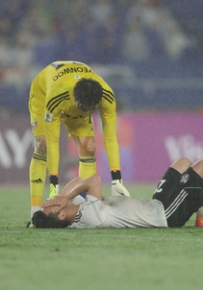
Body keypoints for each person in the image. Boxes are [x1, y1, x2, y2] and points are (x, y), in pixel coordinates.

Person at [27, 61, 129, 225]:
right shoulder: (56, 97)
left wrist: (117, 180)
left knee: (88, 148)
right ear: (75, 95)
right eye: (84, 108)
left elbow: (110, 137)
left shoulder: (107, 96)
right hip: (43, 94)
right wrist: (54, 185)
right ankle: (35, 211)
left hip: (72, 101)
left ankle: (81, 204)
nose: (87, 113)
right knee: (43, 145)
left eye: (91, 110)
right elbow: (54, 142)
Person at [32, 158, 203, 229]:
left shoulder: (73, 213)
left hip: (155, 204)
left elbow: (81, 181)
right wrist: (63, 195)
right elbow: (92, 179)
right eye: (51, 205)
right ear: (61, 215)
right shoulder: (88, 216)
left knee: (182, 163)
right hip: (165, 216)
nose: (50, 199)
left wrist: (64, 198)